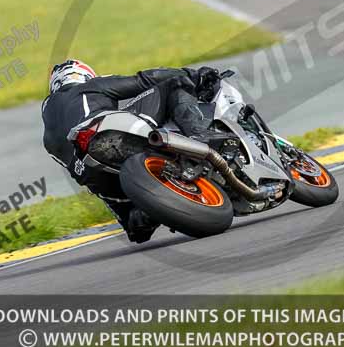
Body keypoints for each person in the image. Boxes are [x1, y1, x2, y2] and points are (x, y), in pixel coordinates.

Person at [41, 59, 220, 243]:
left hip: (95, 176)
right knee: (175, 82)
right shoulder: (88, 86)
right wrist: (194, 76)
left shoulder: (48, 136)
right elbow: (143, 80)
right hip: (105, 133)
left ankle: (143, 214)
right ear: (83, 75)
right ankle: (200, 136)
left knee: (137, 229)